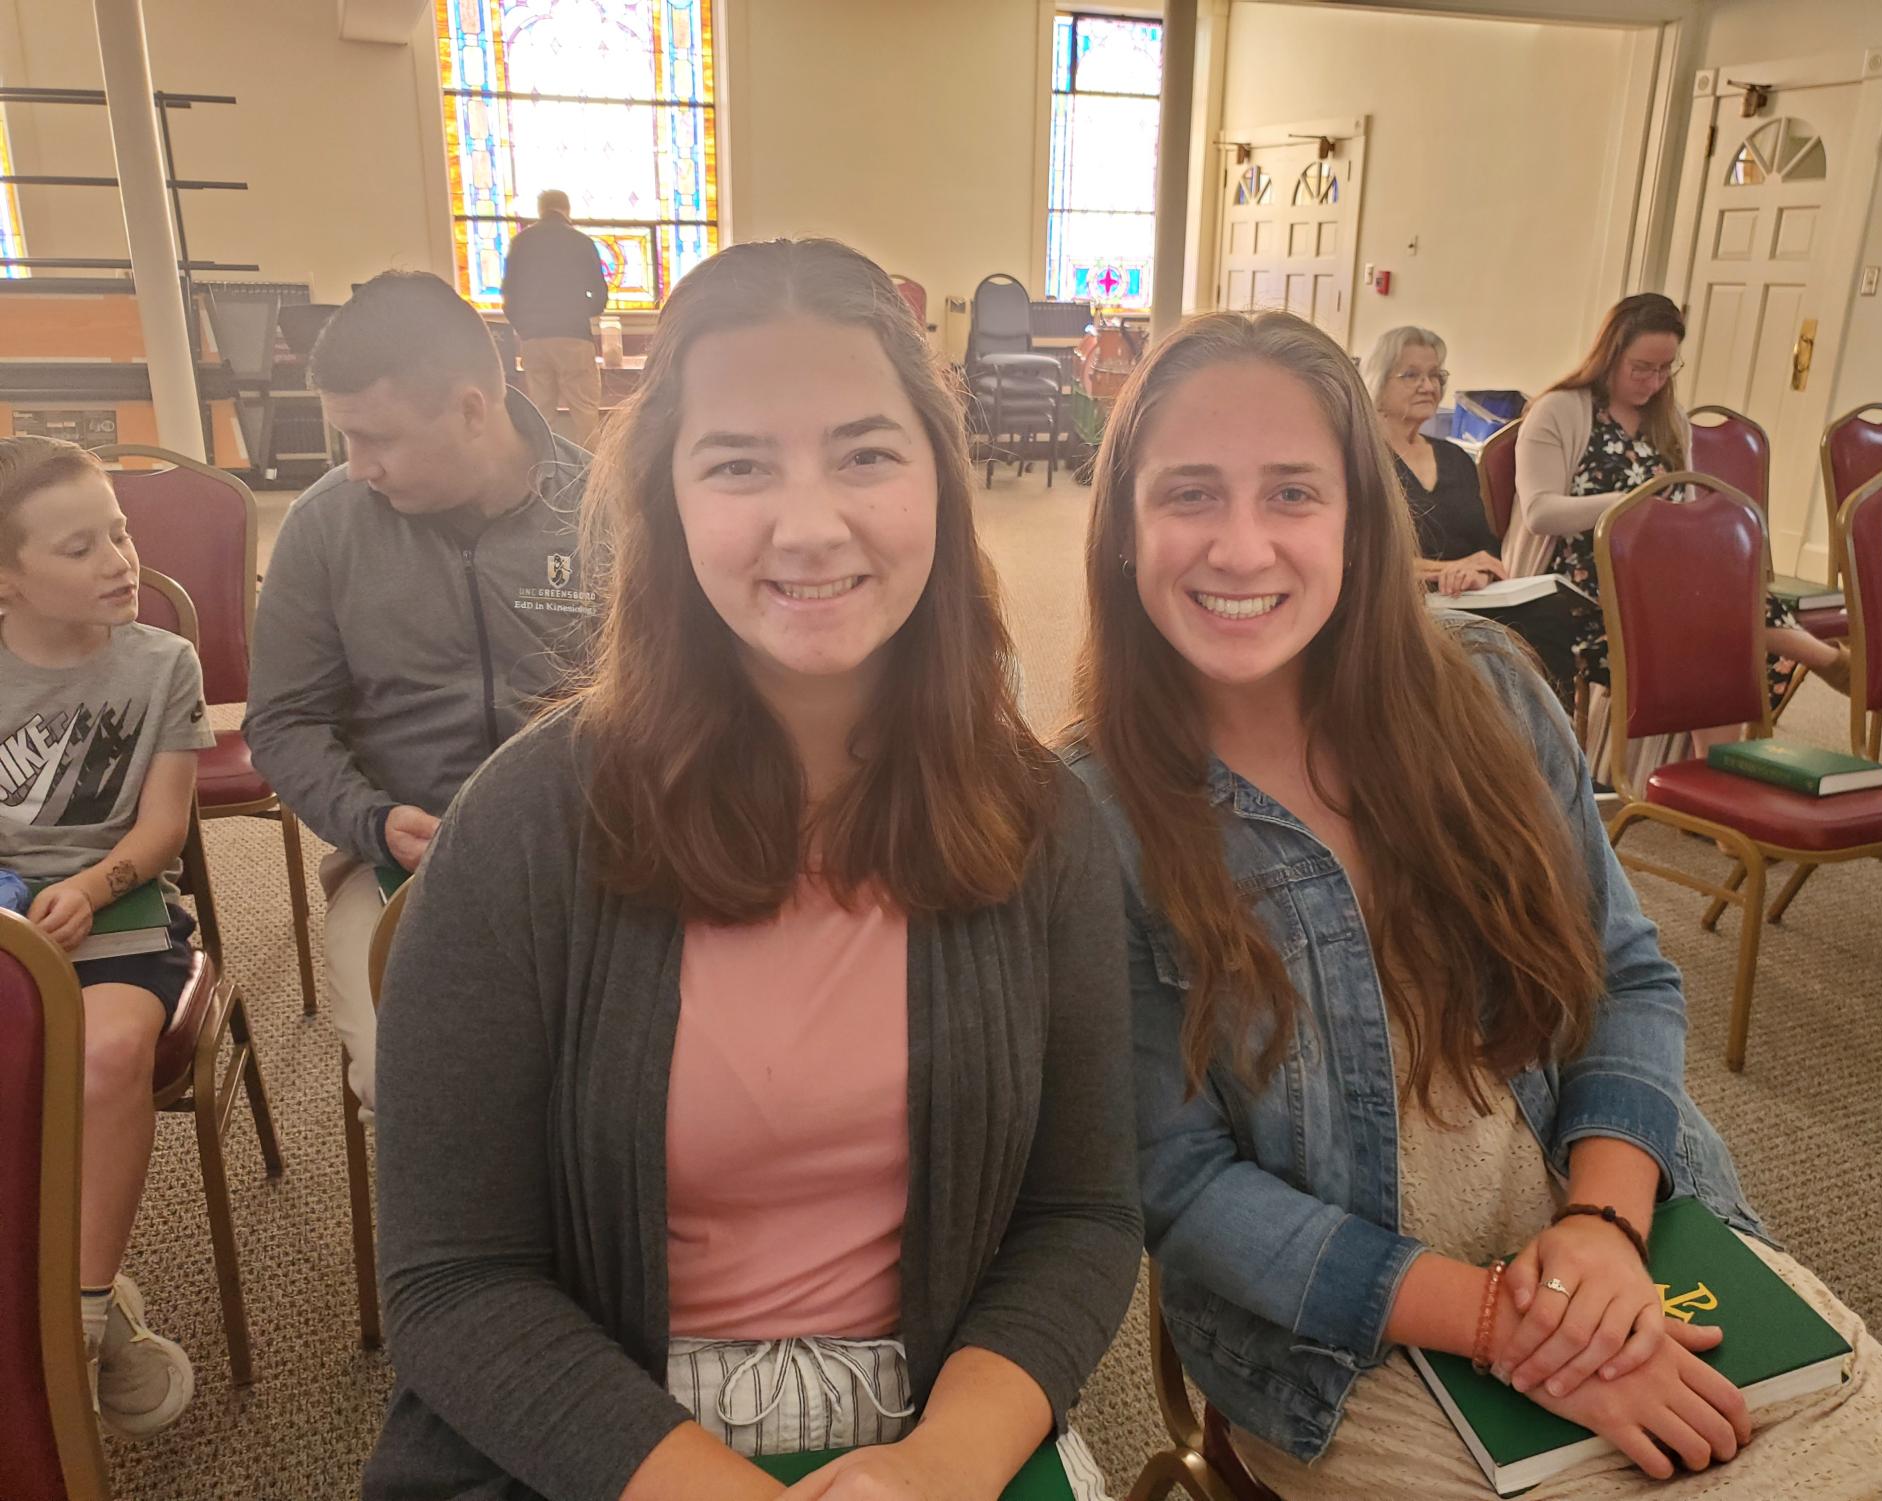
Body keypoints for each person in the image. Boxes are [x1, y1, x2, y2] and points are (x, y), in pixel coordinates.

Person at [1067, 310, 1882, 1499]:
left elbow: (1626, 980)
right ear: (1123, 532)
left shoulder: (1491, 700)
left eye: (1293, 494)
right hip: (1351, 1335)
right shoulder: (1095, 816)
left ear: (1359, 517)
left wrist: (1601, 1233)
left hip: (1621, 1227)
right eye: (1190, 493)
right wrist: (1512, 1322)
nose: (1242, 547)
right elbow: (1184, 1192)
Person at [363, 238, 1139, 1501]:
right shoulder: (523, 827)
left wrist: (947, 1462)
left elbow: (1083, 1214)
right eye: (738, 464)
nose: (810, 523)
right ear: (665, 498)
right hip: (600, 1438)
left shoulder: (1040, 822)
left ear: (938, 481)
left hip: (935, 1422)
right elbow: (456, 1280)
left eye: (865, 454)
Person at [244, 270, 595, 1122]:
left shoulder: (608, 510)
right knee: (415, 1092)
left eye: (375, 439)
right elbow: (283, 721)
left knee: (634, 1077)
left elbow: (683, 699)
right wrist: (371, 820)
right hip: (401, 860)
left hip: (594, 854)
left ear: (474, 408)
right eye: (344, 439)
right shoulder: (326, 526)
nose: (356, 468)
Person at [0, 437, 214, 1436]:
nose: (120, 560)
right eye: (80, 547)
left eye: (120, 533)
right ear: (8, 578)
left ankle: (79, 1323)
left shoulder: (163, 661)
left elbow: (164, 825)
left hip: (123, 903)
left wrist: (93, 884)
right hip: (6, 907)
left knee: (112, 1051)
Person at [1500, 293, 1848, 717]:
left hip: (1657, 575)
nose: (1654, 382)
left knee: (1726, 622)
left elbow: (1682, 507)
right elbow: (1540, 513)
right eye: (1641, 368)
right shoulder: (1560, 410)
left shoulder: (1669, 419)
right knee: (1715, 635)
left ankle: (1709, 772)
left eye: (1666, 369)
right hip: (1580, 591)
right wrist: (1630, 503)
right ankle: (1826, 659)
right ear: (1609, 355)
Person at [1365, 325, 1575, 687]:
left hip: (1464, 597)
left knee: (1548, 616)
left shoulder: (1455, 457)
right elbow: (1361, 555)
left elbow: (1483, 546)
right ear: (1378, 384)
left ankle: (1543, 737)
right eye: (1411, 375)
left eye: (1436, 375)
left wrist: (1479, 572)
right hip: (1400, 601)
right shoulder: (1364, 460)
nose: (1429, 387)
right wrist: (1443, 570)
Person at [503, 188, 611, 445]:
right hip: (573, 336)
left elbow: (508, 294)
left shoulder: (521, 242)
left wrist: (525, 326)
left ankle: (546, 476)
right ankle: (592, 478)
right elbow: (599, 293)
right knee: (585, 413)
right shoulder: (580, 241)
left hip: (534, 338)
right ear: (567, 209)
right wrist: (582, 312)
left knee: (541, 413)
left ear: (540, 210)